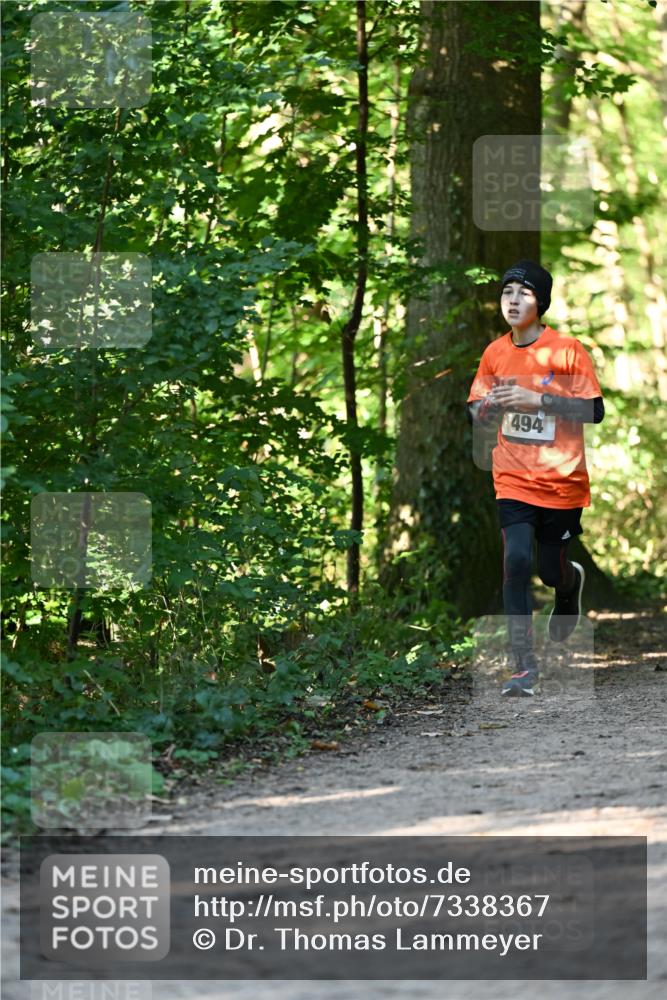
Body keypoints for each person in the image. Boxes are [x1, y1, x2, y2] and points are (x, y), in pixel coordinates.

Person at [466, 260, 605, 697]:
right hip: (512, 478)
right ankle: (523, 666)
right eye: (507, 292)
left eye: (523, 293)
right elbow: (474, 406)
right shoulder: (494, 353)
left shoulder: (567, 351)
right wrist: (484, 408)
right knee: (517, 562)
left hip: (562, 481)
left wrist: (537, 398)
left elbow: (594, 411)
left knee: (548, 569)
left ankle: (569, 584)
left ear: (540, 302)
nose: (512, 300)